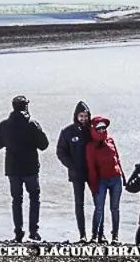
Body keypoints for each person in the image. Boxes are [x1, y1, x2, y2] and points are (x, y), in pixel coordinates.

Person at [0, 95, 49, 242]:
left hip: (13, 169)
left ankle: (18, 233)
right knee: (34, 198)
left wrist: (9, 142)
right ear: (26, 107)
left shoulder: (5, 125)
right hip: (30, 169)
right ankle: (33, 232)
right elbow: (44, 145)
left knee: (16, 200)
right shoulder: (32, 124)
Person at [55, 101, 92, 241]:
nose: (83, 119)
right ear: (76, 116)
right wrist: (72, 166)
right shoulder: (67, 132)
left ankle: (98, 233)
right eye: (81, 116)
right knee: (79, 204)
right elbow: (61, 152)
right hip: (77, 173)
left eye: (85, 116)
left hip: (92, 172)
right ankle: (82, 234)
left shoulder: (92, 130)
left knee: (98, 203)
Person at [84, 116, 123, 244]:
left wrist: (124, 176)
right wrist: (93, 185)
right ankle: (95, 236)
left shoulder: (110, 140)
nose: (102, 130)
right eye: (99, 128)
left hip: (116, 179)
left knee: (115, 209)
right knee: (99, 208)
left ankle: (115, 237)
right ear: (94, 129)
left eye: (104, 128)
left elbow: (117, 159)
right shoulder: (91, 146)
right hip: (102, 180)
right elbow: (91, 167)